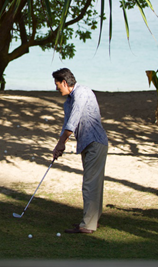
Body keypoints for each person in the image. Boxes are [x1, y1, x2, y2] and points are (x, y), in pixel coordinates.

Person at [51, 68, 108, 234]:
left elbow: (74, 120)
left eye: (57, 85)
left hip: (95, 142)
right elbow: (67, 125)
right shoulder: (68, 102)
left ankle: (88, 225)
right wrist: (59, 145)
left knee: (90, 184)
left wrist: (62, 143)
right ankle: (92, 221)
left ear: (64, 82)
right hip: (86, 143)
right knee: (93, 183)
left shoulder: (81, 92)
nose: (56, 88)